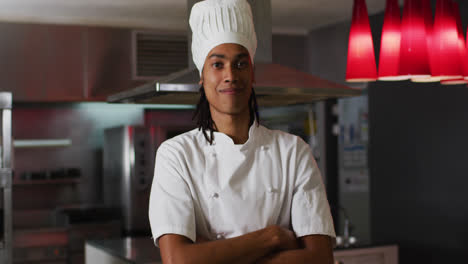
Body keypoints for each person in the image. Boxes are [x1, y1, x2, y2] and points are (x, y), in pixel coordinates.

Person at [148, 0, 336, 263]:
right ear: (201, 76)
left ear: (252, 72)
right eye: (217, 64)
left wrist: (211, 255)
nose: (230, 75)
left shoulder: (293, 152)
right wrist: (271, 238)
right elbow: (178, 260)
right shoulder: (176, 155)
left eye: (240, 64)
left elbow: (319, 257)